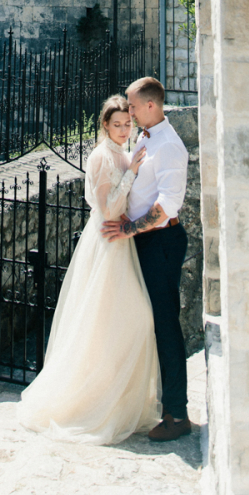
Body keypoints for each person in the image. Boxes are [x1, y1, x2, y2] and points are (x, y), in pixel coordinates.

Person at [17, 95, 162, 444]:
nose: (125, 130)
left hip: (121, 244)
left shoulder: (123, 152)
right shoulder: (101, 156)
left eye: (128, 124)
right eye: (117, 125)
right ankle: (92, 403)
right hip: (107, 243)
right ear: (104, 126)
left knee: (125, 322)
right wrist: (132, 173)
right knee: (107, 323)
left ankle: (117, 399)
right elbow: (108, 208)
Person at [102, 76, 191, 441]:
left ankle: (177, 414)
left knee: (166, 325)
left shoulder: (170, 146)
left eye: (134, 106)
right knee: (148, 324)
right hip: (145, 240)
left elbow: (167, 205)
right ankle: (157, 403)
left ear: (151, 106)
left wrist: (129, 229)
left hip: (161, 242)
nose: (130, 111)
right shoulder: (147, 137)